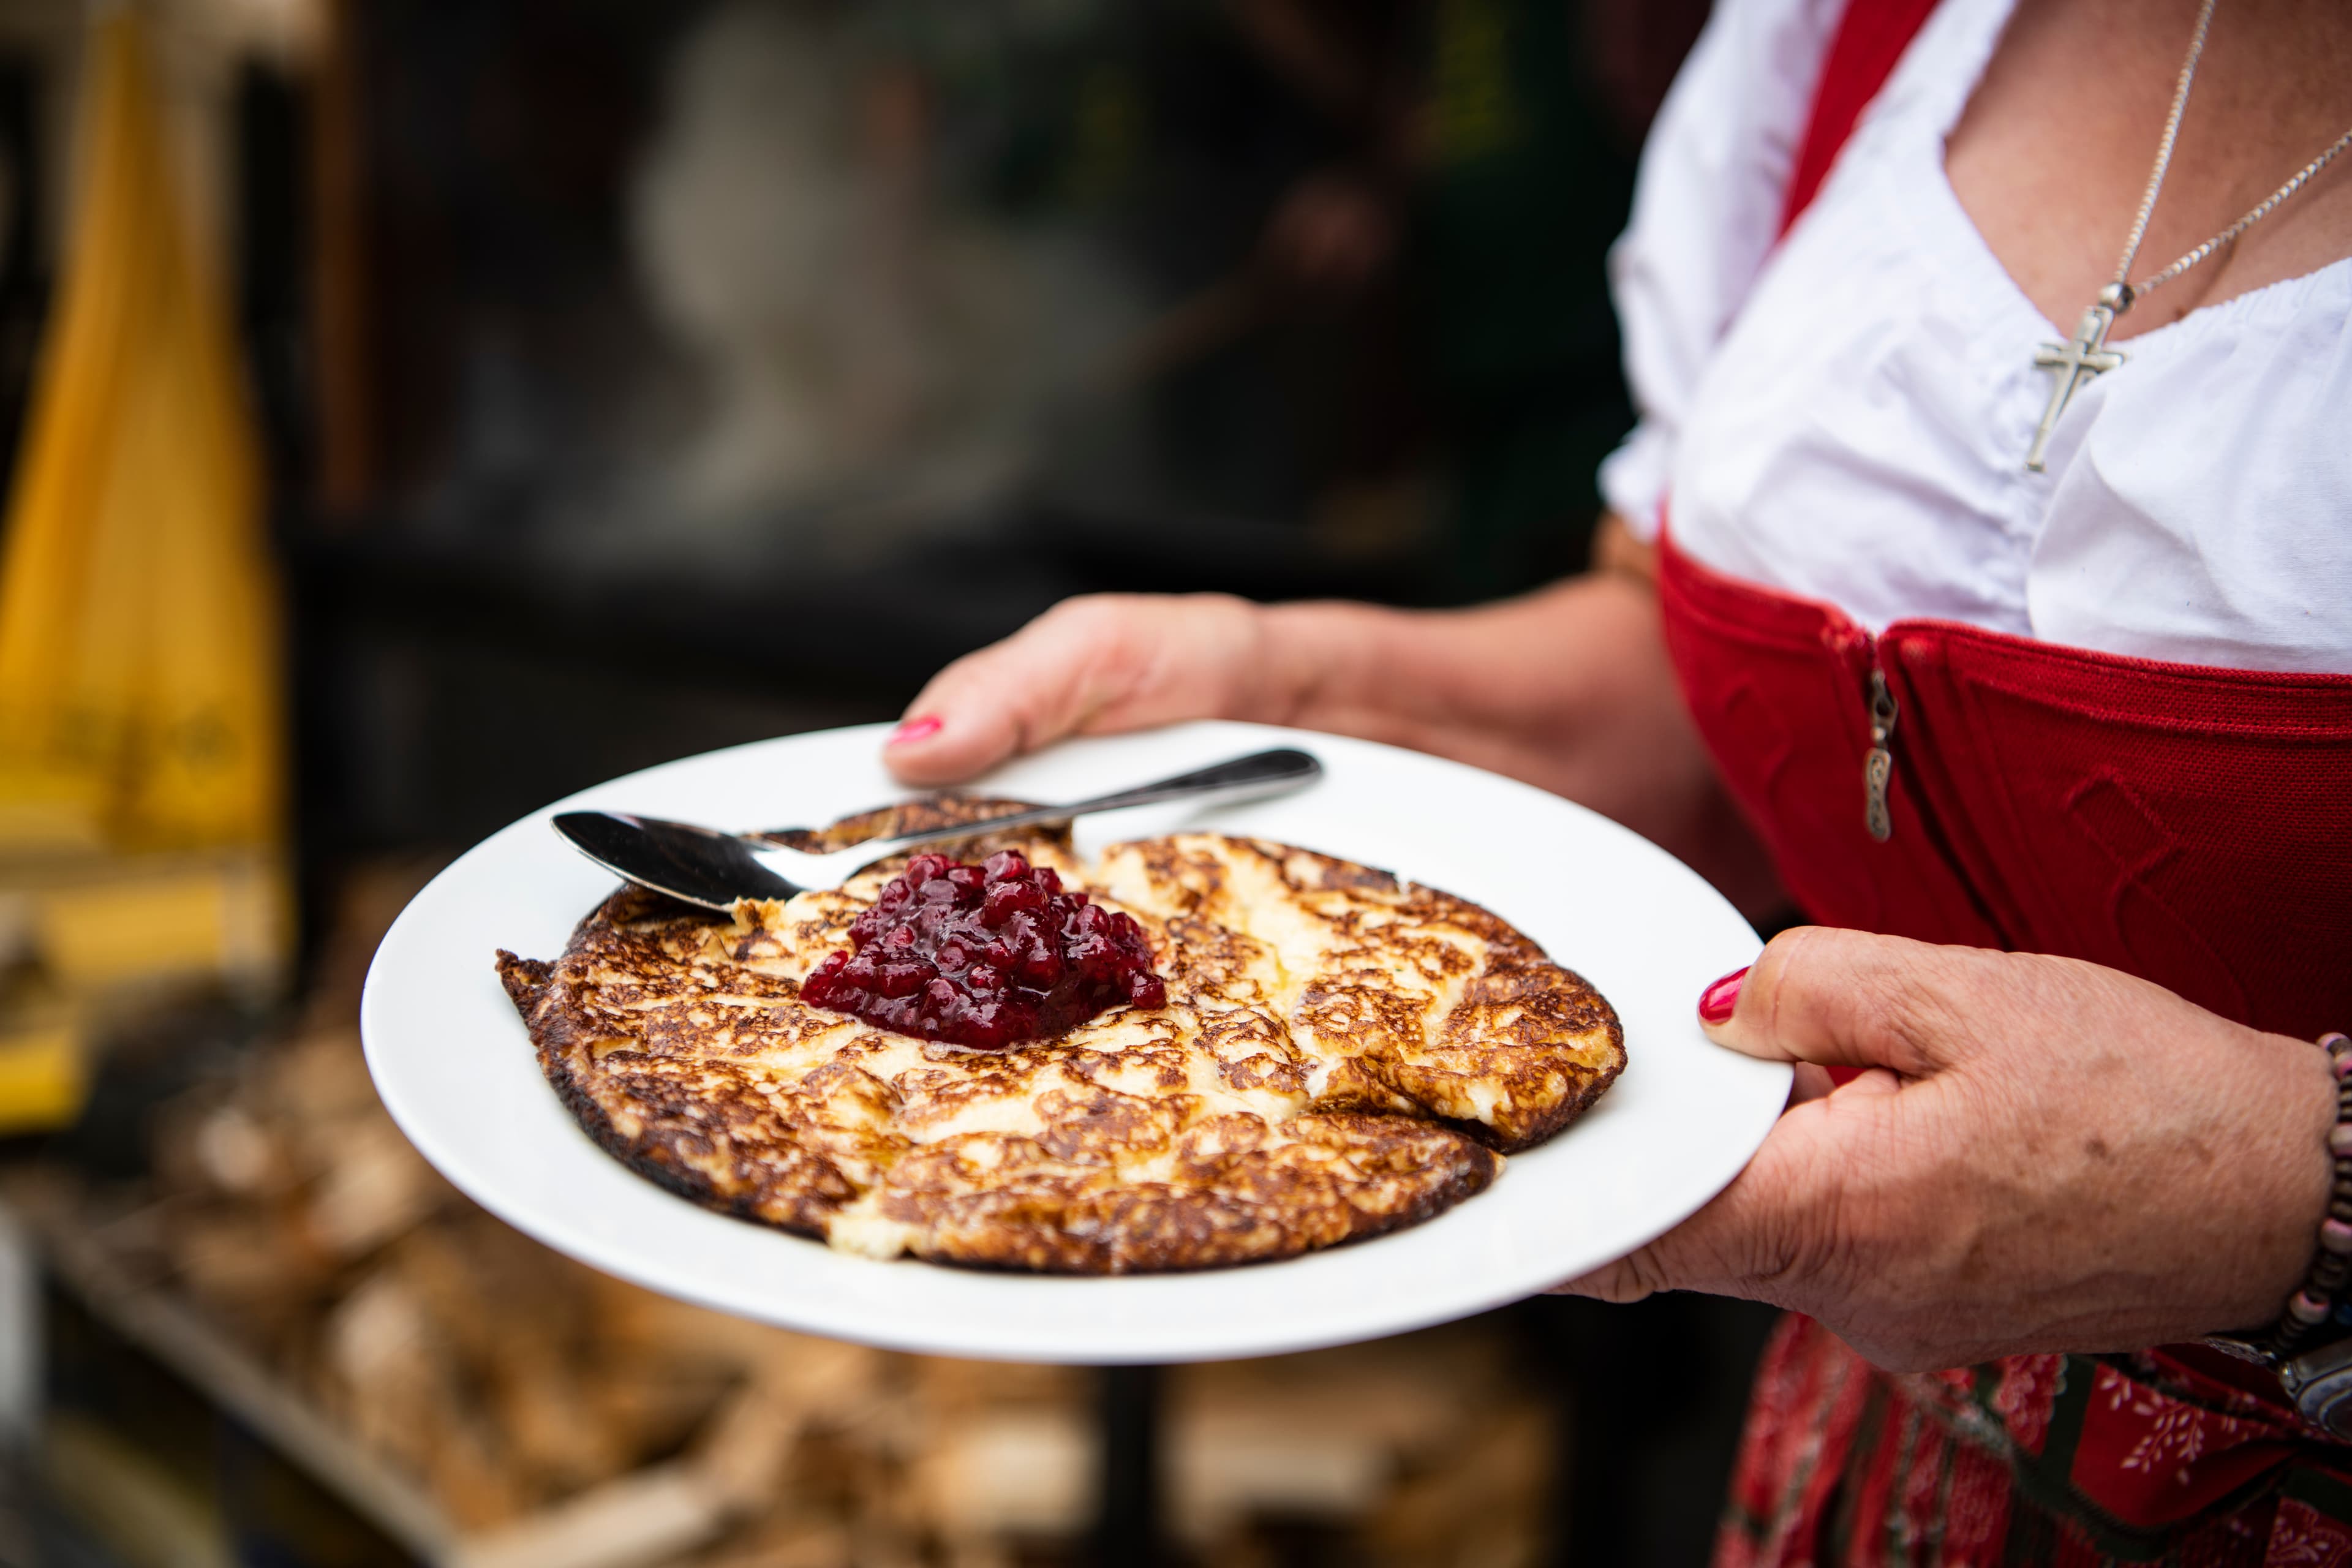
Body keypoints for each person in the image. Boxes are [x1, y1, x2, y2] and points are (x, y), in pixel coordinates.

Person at [880, 0, 2352, 1559]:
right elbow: (1715, 705)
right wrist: (1306, 691)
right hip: (1875, 1470)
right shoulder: (1849, 37)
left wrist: (2281, 1186)